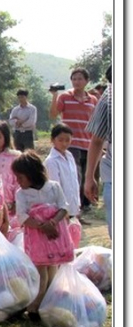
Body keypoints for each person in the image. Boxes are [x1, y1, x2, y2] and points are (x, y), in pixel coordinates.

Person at [12, 151, 71, 321]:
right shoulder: (21, 194)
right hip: (37, 240)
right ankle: (34, 308)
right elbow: (22, 216)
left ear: (32, 175)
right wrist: (41, 226)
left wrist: (52, 223)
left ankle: (44, 306)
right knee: (41, 275)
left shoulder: (53, 187)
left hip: (54, 238)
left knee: (53, 270)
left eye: (20, 177)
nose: (18, 181)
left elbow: (63, 207)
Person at [49, 67, 98, 214]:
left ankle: (84, 205)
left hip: (88, 143)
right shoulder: (65, 97)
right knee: (74, 175)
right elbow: (53, 114)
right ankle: (73, 209)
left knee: (87, 174)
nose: (77, 82)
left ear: (87, 81)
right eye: (74, 79)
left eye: (80, 79)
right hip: (70, 143)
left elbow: (96, 122)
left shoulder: (93, 100)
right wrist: (54, 96)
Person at [84, 65, 112, 238]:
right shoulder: (109, 98)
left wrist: (90, 178)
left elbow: (96, 141)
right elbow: (96, 141)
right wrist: (89, 177)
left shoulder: (108, 97)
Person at [44, 124, 81, 223]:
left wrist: (77, 205)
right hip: (60, 210)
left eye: (67, 140)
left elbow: (74, 182)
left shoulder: (70, 156)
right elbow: (55, 188)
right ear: (52, 140)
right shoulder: (51, 161)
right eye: (60, 140)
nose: (64, 144)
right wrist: (62, 210)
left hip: (73, 206)